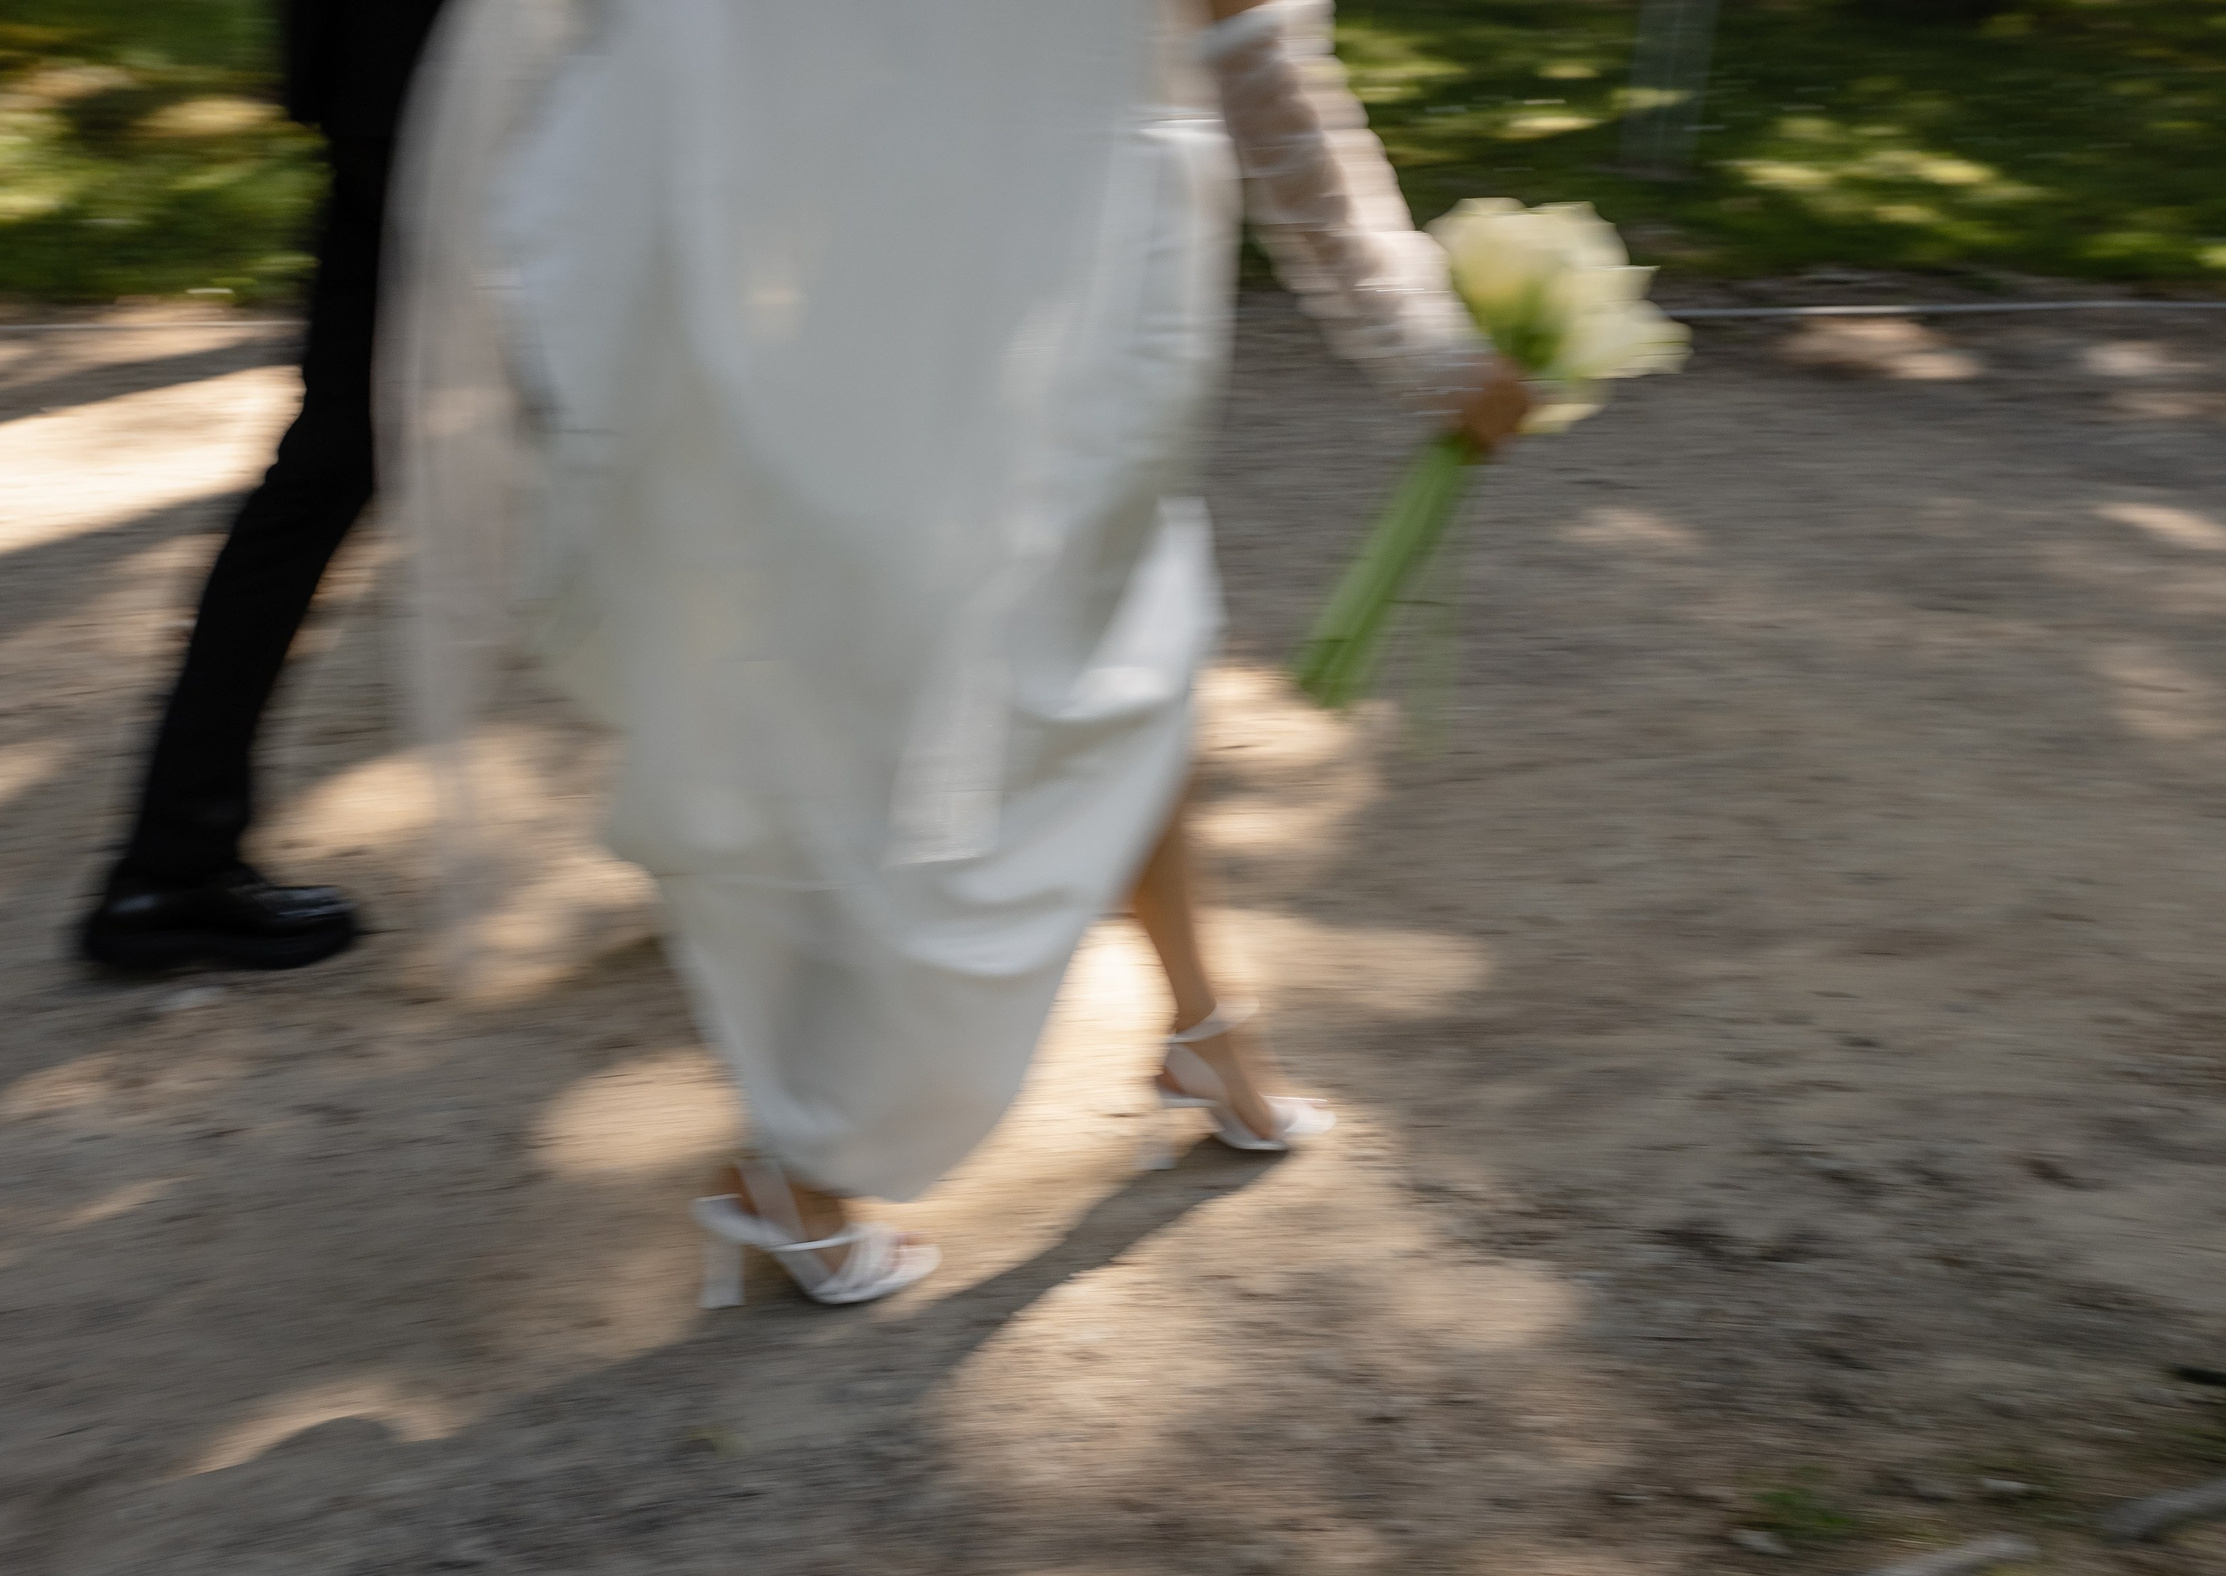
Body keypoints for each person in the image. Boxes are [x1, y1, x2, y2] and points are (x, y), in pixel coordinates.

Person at [392, 0, 1531, 1303]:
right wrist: (1425, 341)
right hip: (1073, 287)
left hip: (889, 267)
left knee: (1118, 653)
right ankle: (804, 1162)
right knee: (1054, 676)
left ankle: (1209, 1029)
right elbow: (1260, 64)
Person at [78, 0, 449, 972]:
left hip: (410, 87)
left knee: (322, 477)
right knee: (664, 443)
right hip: (447, 98)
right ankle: (774, 828)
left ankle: (169, 863)